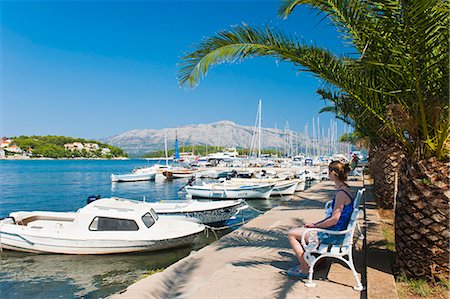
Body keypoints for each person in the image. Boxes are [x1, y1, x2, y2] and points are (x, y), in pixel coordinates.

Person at [286, 161, 353, 277]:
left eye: (328, 171)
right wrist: (314, 224)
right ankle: (319, 261)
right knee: (302, 229)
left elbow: (334, 220)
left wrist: (315, 226)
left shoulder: (341, 194)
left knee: (292, 233)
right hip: (337, 232)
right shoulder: (345, 189)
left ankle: (305, 268)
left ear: (333, 173)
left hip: (334, 235)